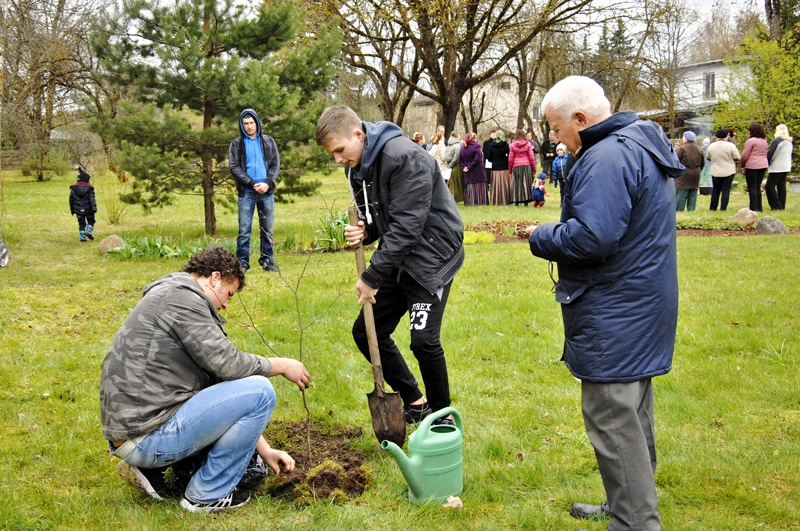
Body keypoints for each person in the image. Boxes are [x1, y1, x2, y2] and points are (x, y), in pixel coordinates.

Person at [526, 76, 682, 531]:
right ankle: (627, 502)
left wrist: (540, 235)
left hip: (617, 306)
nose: (554, 138)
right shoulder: (635, 141)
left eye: (556, 128)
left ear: (580, 118)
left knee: (611, 413)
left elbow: (592, 237)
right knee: (632, 409)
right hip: (640, 300)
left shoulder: (607, 155)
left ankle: (635, 521)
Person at [100, 246, 310, 512]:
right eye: (229, 294)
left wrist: (265, 450)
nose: (226, 305)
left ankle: (152, 469)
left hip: (136, 431)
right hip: (145, 437)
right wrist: (281, 365)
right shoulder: (183, 300)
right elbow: (227, 363)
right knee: (260, 391)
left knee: (246, 391)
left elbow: (218, 383)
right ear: (215, 278)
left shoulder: (172, 295)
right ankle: (207, 495)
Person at [315, 105, 465, 426]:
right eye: (333, 154)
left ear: (358, 134)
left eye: (339, 150)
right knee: (365, 332)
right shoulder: (358, 168)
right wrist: (366, 231)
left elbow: (408, 227)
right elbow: (385, 219)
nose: (338, 160)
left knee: (424, 341)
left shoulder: (403, 157)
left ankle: (442, 418)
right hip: (399, 256)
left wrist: (371, 276)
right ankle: (415, 401)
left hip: (432, 256)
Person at [229, 109, 280, 272]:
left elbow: (275, 164)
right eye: (245, 123)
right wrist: (251, 184)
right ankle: (242, 263)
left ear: (257, 123)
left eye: (251, 123)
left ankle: (267, 261)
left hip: (266, 193)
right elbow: (234, 167)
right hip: (247, 193)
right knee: (244, 230)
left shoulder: (268, 141)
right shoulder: (236, 144)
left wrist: (268, 183)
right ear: (241, 125)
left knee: (267, 229)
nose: (249, 126)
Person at [706, 128, 741, 211]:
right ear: (726, 136)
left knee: (715, 190)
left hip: (715, 170)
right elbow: (737, 157)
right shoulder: (731, 146)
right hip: (729, 170)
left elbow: (708, 157)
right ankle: (723, 208)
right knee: (726, 190)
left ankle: (713, 207)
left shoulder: (711, 146)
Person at [740, 122, 769, 212]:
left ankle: (753, 208)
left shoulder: (751, 141)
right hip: (763, 165)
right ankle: (759, 207)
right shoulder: (764, 141)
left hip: (752, 165)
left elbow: (745, 155)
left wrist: (742, 165)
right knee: (757, 187)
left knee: (751, 187)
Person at [674, 131, 704, 211]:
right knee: (693, 192)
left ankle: (679, 209)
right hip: (696, 173)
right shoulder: (699, 148)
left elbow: (675, 161)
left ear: (685, 139)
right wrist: (697, 170)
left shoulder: (681, 149)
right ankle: (691, 209)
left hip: (684, 173)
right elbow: (702, 163)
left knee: (681, 192)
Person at [765, 124, 793, 210]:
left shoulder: (777, 141)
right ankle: (781, 205)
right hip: (786, 166)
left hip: (777, 167)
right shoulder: (789, 142)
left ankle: (776, 206)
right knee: (781, 186)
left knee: (769, 186)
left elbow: (771, 153)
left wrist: (767, 162)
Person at [508, 128, 536, 206]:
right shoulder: (528, 144)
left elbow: (510, 159)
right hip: (527, 165)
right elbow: (532, 158)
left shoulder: (513, 145)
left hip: (516, 165)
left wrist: (510, 170)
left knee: (516, 183)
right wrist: (534, 169)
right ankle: (526, 201)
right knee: (526, 183)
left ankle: (516, 201)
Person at [459, 132, 488, 206]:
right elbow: (477, 158)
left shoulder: (463, 148)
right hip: (478, 170)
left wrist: (464, 167)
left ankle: (470, 202)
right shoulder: (476, 146)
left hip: (468, 172)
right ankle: (480, 201)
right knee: (479, 186)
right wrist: (469, 167)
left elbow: (460, 160)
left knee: (470, 186)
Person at [69, 167, 97, 242]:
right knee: (91, 220)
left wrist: (72, 209)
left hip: (78, 209)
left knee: (81, 223)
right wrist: (94, 208)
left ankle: (82, 237)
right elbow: (91, 199)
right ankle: (89, 231)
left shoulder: (73, 188)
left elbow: (71, 200)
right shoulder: (90, 188)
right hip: (89, 209)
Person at [487, 131, 511, 205]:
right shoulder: (505, 145)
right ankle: (506, 199)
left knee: (496, 185)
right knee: (504, 184)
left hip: (495, 167)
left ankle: (496, 200)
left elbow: (489, 158)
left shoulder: (492, 145)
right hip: (504, 167)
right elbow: (509, 155)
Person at [445, 131, 464, 203]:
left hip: (449, 165)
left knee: (451, 183)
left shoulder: (448, 146)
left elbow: (446, 156)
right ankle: (457, 198)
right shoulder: (457, 146)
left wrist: (448, 166)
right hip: (456, 166)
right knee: (457, 183)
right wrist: (451, 165)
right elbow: (456, 158)